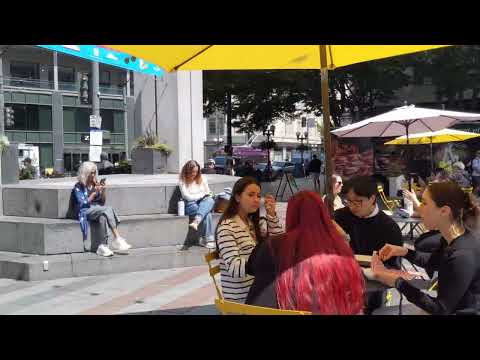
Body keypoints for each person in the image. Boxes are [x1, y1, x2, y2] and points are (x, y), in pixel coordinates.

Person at [245, 191, 365, 314]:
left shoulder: (273, 245)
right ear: (323, 213)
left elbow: (251, 271)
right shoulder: (340, 246)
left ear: (291, 214)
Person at [373, 181, 480, 315]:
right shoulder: (450, 238)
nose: (419, 208)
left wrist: (397, 282)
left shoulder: (462, 255)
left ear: (444, 211)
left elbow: (440, 309)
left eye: (424, 203)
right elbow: (433, 262)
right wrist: (403, 251)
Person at [333, 175, 403, 314]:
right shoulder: (339, 216)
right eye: (349, 201)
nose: (352, 207)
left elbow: (394, 267)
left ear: (372, 199)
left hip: (374, 287)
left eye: (358, 202)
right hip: (341, 284)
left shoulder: (389, 227)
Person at [215, 176, 283, 303]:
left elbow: (279, 243)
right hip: (243, 300)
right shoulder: (226, 227)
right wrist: (263, 262)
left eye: (258, 195)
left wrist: (272, 215)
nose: (256, 200)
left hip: (260, 290)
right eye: (251, 195)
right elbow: (234, 268)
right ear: (237, 197)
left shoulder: (252, 223)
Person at [68, 161, 131, 257]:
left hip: (96, 209)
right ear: (85, 173)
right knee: (108, 209)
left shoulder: (94, 184)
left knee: (103, 217)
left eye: (94, 172)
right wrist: (93, 194)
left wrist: (103, 190)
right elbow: (82, 204)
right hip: (84, 211)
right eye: (91, 173)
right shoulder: (78, 186)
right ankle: (117, 238)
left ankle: (103, 246)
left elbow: (102, 202)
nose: (93, 175)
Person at [179, 160, 216, 249]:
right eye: (192, 172)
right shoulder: (182, 180)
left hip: (203, 202)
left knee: (210, 200)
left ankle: (196, 221)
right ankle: (208, 240)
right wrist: (201, 195)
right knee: (207, 213)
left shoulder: (202, 179)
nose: (194, 174)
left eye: (196, 171)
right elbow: (187, 196)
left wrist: (202, 196)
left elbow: (208, 192)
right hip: (190, 204)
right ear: (187, 171)